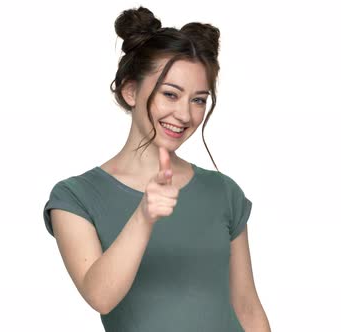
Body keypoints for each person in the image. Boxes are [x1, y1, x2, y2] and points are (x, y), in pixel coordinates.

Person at [43, 6, 272, 332]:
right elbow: (100, 296)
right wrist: (144, 216)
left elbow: (248, 308)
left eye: (198, 99)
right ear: (130, 91)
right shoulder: (75, 197)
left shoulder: (224, 192)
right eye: (170, 94)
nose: (185, 114)